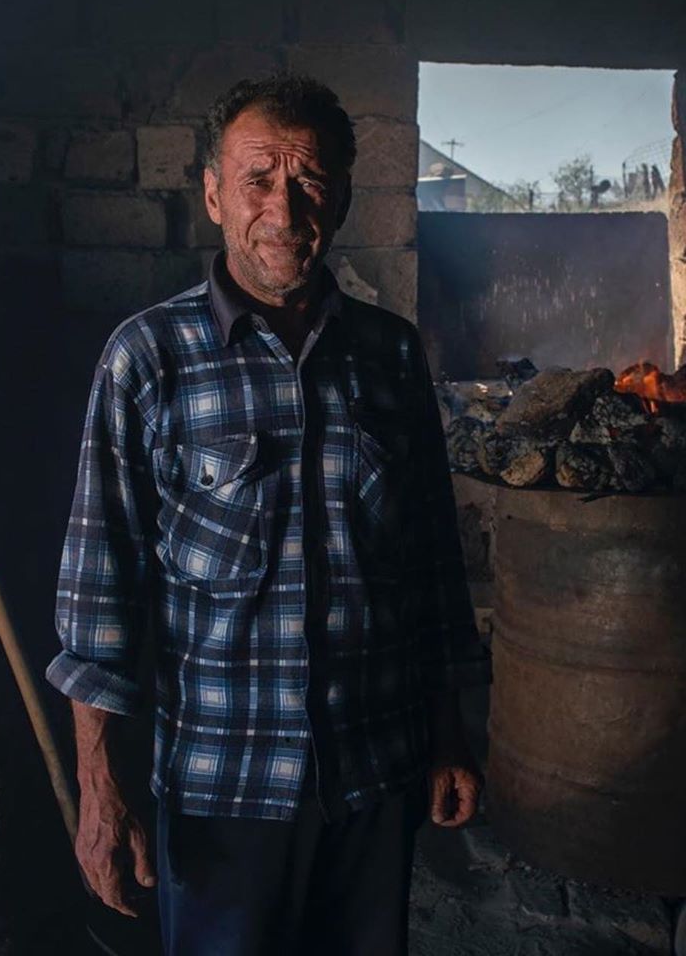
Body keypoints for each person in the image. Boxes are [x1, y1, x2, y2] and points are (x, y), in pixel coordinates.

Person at [46, 74, 490, 955]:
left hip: (373, 777)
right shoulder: (147, 358)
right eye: (257, 179)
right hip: (221, 794)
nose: (283, 209)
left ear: (345, 197)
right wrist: (100, 787)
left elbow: (434, 564)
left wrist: (450, 733)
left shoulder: (389, 354)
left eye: (310, 181)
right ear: (213, 194)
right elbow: (99, 597)